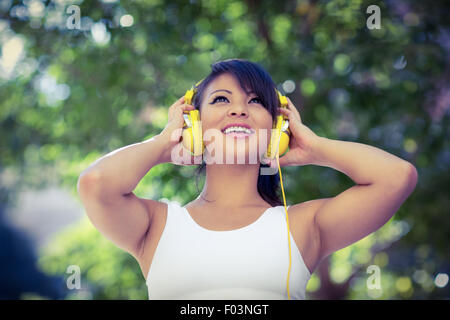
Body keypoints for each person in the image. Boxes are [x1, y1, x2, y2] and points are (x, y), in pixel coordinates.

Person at [77, 59, 418, 300]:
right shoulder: (157, 224)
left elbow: (397, 177)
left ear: (276, 130)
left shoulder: (302, 225)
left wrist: (314, 148)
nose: (239, 109)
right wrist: (166, 142)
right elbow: (96, 184)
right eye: (221, 99)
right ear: (193, 125)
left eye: (256, 101)